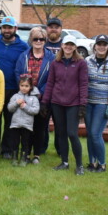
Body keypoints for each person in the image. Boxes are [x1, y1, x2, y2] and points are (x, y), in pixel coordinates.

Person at [41, 35, 88, 175]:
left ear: (75, 47)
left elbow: (84, 84)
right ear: (62, 45)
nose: (68, 47)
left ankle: (79, 165)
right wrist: (45, 102)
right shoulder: (56, 63)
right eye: (66, 44)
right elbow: (50, 83)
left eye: (71, 45)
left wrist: (83, 104)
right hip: (57, 103)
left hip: (73, 103)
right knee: (60, 133)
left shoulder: (81, 63)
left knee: (72, 133)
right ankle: (64, 161)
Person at [0, 16, 29, 159]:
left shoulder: (23, 46)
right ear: (1, 28)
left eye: (10, 27)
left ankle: (7, 150)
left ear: (15, 29)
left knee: (10, 120)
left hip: (13, 88)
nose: (7, 30)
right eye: (4, 27)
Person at [14, 27, 55, 164]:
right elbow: (18, 72)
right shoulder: (24, 56)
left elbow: (51, 78)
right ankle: (26, 152)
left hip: (43, 97)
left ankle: (37, 154)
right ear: (31, 40)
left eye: (41, 39)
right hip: (26, 96)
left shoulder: (51, 58)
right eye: (35, 39)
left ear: (45, 41)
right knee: (26, 127)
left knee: (40, 127)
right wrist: (26, 90)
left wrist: (40, 93)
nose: (38, 41)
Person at [85, 34, 108, 173]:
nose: (101, 47)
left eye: (104, 44)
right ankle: (92, 163)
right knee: (89, 133)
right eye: (99, 44)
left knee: (95, 133)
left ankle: (102, 164)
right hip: (88, 102)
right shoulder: (88, 60)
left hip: (103, 103)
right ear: (95, 46)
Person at [40, 17, 64, 154]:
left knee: (60, 124)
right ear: (46, 29)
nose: (53, 29)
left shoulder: (66, 45)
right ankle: (41, 148)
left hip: (60, 92)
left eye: (57, 27)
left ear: (61, 30)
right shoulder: (40, 43)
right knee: (42, 123)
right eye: (51, 26)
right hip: (44, 90)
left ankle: (61, 150)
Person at [7, 75, 40, 166]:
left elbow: (35, 111)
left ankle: (24, 158)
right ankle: (14, 158)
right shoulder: (15, 96)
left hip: (27, 125)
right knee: (15, 142)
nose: (24, 88)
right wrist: (16, 103)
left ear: (30, 87)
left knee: (25, 142)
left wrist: (25, 107)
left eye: (26, 86)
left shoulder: (34, 98)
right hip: (15, 124)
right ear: (19, 86)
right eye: (22, 86)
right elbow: (10, 108)